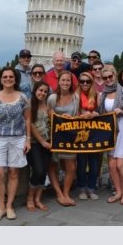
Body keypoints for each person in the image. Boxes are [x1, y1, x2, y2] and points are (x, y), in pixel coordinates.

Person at [0, 67, 32, 221]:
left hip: (17, 138)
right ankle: (1, 207)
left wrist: (28, 139)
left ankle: (9, 205)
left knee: (13, 173)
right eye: (5, 76)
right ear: (1, 79)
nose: (8, 79)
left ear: (15, 79)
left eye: (11, 76)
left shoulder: (23, 97)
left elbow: (27, 119)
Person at [100, 66, 123, 205]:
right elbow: (101, 112)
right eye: (105, 78)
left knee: (121, 165)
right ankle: (118, 191)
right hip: (110, 131)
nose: (108, 80)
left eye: (110, 76)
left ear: (115, 76)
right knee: (112, 165)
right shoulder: (102, 94)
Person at [47, 70, 79, 207]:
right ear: (58, 82)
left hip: (70, 137)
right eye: (63, 80)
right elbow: (49, 115)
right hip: (55, 136)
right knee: (53, 165)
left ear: (71, 83)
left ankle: (66, 193)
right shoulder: (52, 98)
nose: (65, 83)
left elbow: (77, 114)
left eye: (68, 80)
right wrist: (60, 118)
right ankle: (59, 193)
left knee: (71, 167)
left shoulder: (75, 97)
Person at [25, 80, 53, 212]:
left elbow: (53, 121)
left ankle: (38, 199)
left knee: (44, 170)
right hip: (35, 143)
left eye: (45, 91)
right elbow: (30, 124)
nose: (42, 93)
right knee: (38, 170)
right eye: (40, 90)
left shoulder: (47, 105)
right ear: (35, 90)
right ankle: (30, 198)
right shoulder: (29, 104)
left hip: (48, 142)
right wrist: (41, 141)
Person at [75, 71, 101, 200]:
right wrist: (82, 114)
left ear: (92, 82)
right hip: (80, 132)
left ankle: (91, 188)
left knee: (94, 164)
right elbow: (73, 112)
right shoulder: (75, 95)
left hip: (94, 133)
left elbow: (101, 111)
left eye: (88, 81)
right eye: (82, 81)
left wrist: (95, 113)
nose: (85, 83)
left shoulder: (97, 95)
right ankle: (81, 188)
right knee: (81, 163)